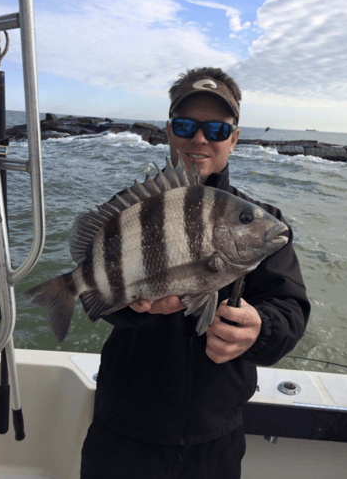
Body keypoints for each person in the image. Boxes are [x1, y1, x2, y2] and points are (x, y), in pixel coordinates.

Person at [80, 68, 310, 478]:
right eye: (186, 125)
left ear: (234, 139)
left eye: (217, 129)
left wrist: (260, 329)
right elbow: (95, 294)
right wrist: (133, 308)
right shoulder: (129, 209)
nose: (200, 139)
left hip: (214, 438)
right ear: (169, 132)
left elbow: (290, 307)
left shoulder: (261, 225)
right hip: (123, 428)